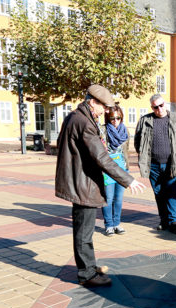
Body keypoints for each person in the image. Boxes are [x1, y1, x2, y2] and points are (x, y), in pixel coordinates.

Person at [55, 84, 146, 287]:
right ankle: (87, 274)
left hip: (79, 179)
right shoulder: (84, 122)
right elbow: (101, 157)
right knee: (84, 231)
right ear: (92, 101)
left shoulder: (75, 117)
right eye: (103, 106)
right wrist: (128, 179)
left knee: (84, 229)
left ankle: (88, 265)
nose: (105, 111)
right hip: (83, 183)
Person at [134, 94, 176, 235]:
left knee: (172, 192)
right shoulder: (145, 120)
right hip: (153, 165)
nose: (159, 109)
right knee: (159, 193)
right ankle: (164, 220)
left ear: (164, 104)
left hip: (172, 164)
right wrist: (143, 156)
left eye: (161, 105)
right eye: (155, 107)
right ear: (152, 107)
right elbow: (137, 141)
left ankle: (174, 221)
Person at [101, 105, 129, 236]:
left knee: (118, 198)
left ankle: (117, 223)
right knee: (108, 198)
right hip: (107, 169)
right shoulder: (103, 130)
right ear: (108, 118)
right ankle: (109, 225)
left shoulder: (125, 131)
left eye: (118, 118)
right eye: (112, 118)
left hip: (122, 168)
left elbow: (126, 152)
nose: (115, 121)